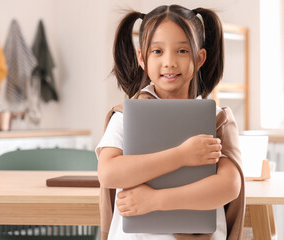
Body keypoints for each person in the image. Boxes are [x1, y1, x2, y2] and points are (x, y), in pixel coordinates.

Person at [96, 5, 245, 240]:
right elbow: (108, 173)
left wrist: (155, 201)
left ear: (199, 58)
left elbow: (229, 186)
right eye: (157, 51)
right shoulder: (126, 115)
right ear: (142, 58)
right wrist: (182, 156)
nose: (169, 62)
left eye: (182, 51)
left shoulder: (217, 119)